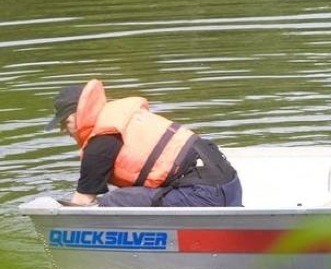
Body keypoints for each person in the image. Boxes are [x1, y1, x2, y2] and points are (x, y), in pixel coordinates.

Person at [45, 79, 242, 207]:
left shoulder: (99, 145)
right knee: (133, 195)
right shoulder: (126, 119)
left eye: (66, 122)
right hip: (230, 184)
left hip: (203, 194)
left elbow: (81, 202)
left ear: (81, 113)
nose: (64, 130)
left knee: (115, 201)